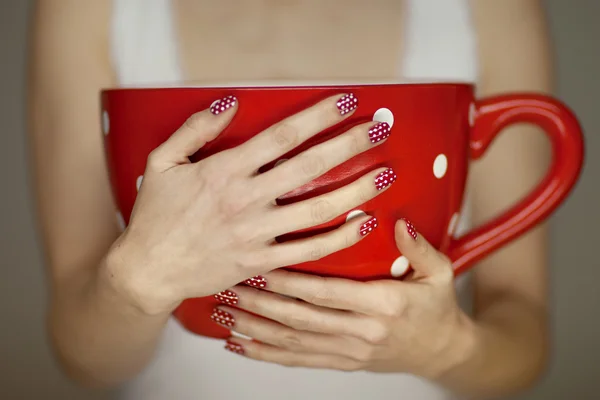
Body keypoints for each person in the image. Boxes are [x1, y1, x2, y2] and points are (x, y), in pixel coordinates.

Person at [27, 0, 553, 399]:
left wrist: (446, 348)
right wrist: (133, 289)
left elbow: (522, 337)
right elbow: (84, 358)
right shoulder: (85, 10)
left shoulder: (492, 10)